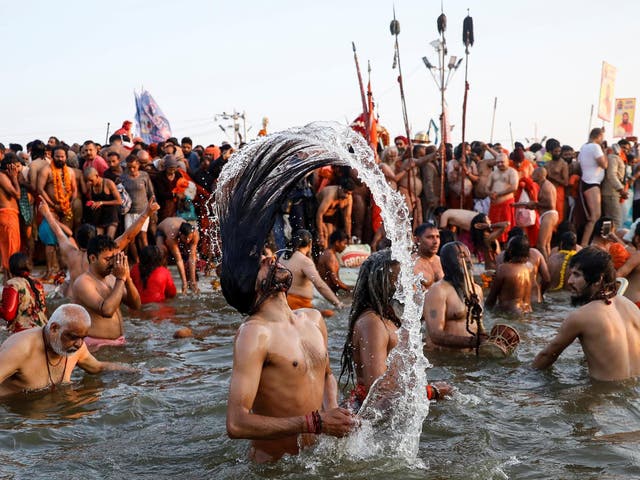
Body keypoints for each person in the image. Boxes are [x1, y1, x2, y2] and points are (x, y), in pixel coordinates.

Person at [340, 250, 451, 411]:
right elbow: (377, 394)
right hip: (370, 417)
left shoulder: (387, 317)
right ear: (382, 282)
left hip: (393, 412)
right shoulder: (373, 323)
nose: (409, 283)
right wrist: (431, 392)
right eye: (401, 277)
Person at [533, 247, 640, 381]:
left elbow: (547, 355)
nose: (570, 281)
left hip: (601, 396)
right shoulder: (632, 308)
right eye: (571, 274)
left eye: (577, 275)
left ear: (598, 279)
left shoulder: (581, 316)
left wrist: (524, 376)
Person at [0, 304, 134, 396]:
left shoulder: (77, 348)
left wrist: (139, 372)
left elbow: (97, 367)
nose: (79, 344)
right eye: (73, 337)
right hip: (17, 417)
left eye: (83, 338)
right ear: (54, 328)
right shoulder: (20, 348)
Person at [38, 197, 159, 298]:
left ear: (77, 240)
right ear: (96, 237)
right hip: (94, 300)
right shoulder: (101, 255)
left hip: (73, 300)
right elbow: (127, 237)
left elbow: (58, 232)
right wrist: (146, 214)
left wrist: (46, 213)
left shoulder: (70, 253)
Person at [71, 236, 141, 350]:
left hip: (118, 343)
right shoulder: (83, 282)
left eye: (113, 258)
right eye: (107, 259)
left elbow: (136, 305)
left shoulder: (112, 278)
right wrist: (121, 279)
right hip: (96, 347)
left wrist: (127, 278)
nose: (112, 263)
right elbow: (107, 311)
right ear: (93, 258)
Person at [423, 242, 487, 352]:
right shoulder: (438, 291)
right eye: (462, 256)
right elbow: (435, 335)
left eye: (468, 256)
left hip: (468, 358)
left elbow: (478, 327)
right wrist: (472, 342)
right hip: (444, 362)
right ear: (449, 262)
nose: (468, 260)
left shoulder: (476, 290)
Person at [279, 229, 345, 311]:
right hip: (299, 305)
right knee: (330, 314)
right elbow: (320, 285)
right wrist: (337, 303)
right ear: (310, 244)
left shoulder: (283, 256)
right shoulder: (305, 261)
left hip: (282, 301)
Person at [120, 154, 155, 263]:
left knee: (143, 237)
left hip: (143, 210)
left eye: (133, 167)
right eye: (129, 167)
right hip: (129, 212)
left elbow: (151, 193)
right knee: (130, 239)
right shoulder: (123, 177)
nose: (131, 169)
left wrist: (153, 209)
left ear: (138, 165)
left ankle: (148, 260)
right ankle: (137, 261)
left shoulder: (144, 176)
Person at [0, 253, 47, 333]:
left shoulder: (13, 284)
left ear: (11, 268)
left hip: (22, 333)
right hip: (41, 329)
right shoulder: (37, 283)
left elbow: (8, 314)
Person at [485, 235, 533, 314]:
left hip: (509, 314)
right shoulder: (528, 269)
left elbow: (491, 298)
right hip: (527, 312)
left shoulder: (503, 268)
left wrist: (484, 312)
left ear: (510, 251)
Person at [578, 128, 607, 246]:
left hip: (588, 181)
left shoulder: (583, 147)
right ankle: (584, 244)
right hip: (592, 182)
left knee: (593, 216)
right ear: (599, 136)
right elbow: (604, 164)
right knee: (594, 216)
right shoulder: (595, 147)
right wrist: (604, 151)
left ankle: (586, 243)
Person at [156, 217, 200, 294]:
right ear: (180, 234)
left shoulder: (195, 234)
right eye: (185, 238)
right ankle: (163, 278)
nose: (188, 240)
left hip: (179, 223)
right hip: (162, 230)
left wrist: (193, 282)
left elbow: (192, 257)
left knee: (191, 255)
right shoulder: (172, 235)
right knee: (162, 252)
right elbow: (178, 259)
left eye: (189, 238)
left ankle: (192, 282)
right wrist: (184, 283)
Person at [0, 153, 23, 279]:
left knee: (8, 248)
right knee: (10, 249)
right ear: (10, 167)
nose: (18, 170)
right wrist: (14, 178)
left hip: (8, 215)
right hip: (7, 215)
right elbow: (17, 195)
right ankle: (11, 281)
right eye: (17, 167)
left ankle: (8, 280)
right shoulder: (2, 176)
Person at [487, 154, 518, 243]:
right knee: (493, 228)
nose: (500, 164)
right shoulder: (493, 173)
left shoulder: (512, 172)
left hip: (506, 204)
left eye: (502, 162)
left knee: (507, 228)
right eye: (498, 162)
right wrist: (490, 194)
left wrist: (498, 194)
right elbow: (487, 187)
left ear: (507, 161)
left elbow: (514, 187)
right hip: (494, 205)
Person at [84, 167, 122, 238]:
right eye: (87, 180)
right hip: (99, 217)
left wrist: (102, 202)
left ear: (97, 176)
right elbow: (91, 200)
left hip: (111, 215)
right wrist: (92, 202)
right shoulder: (90, 186)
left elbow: (119, 201)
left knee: (109, 239)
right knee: (99, 239)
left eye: (91, 180)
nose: (89, 182)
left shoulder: (108, 183)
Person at [315, 179, 354, 249]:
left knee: (332, 236)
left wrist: (349, 237)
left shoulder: (349, 198)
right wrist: (321, 235)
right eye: (345, 192)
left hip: (329, 217)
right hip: (315, 212)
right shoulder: (331, 195)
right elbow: (319, 215)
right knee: (325, 235)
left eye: (349, 193)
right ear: (340, 187)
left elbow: (347, 218)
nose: (346, 195)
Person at [317, 230, 353, 294]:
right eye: (344, 243)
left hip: (329, 292)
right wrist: (350, 290)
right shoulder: (330, 256)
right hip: (327, 294)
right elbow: (335, 281)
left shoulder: (328, 253)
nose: (345, 246)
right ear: (337, 243)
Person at [413, 222, 443, 290]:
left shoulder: (443, 261)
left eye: (437, 237)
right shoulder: (411, 264)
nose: (435, 242)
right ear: (417, 240)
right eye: (430, 237)